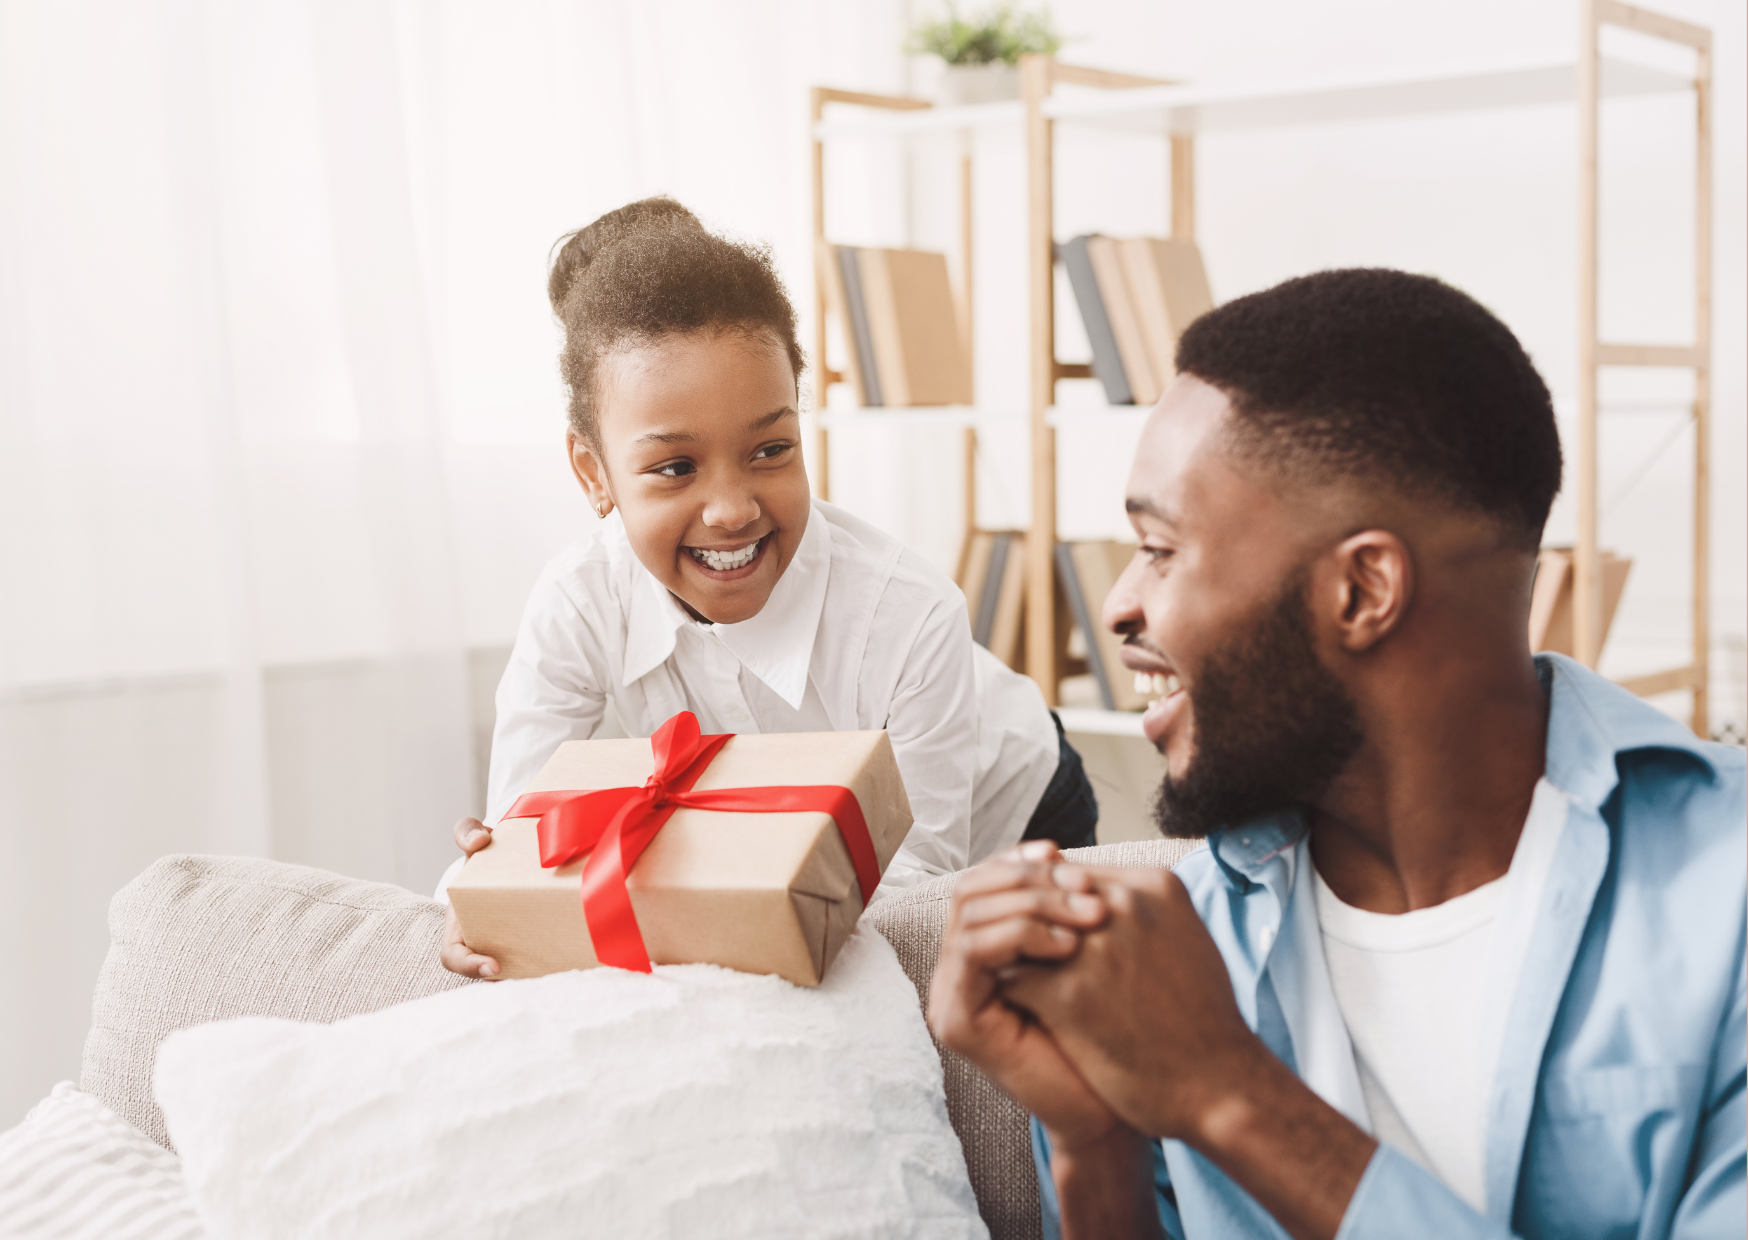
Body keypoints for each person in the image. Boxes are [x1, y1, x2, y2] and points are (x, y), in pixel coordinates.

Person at [928, 268, 1745, 1239]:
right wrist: (1092, 1135)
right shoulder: (1177, 950)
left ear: (1361, 591)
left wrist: (1229, 1093)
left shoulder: (1721, 900)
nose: (1118, 606)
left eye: (1159, 548)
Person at [440, 197, 1097, 979]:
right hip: (794, 841)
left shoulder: (910, 614)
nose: (731, 510)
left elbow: (913, 890)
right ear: (593, 472)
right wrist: (485, 897)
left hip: (1012, 810)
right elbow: (525, 836)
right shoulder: (579, 602)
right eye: (675, 467)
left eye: (771, 449)